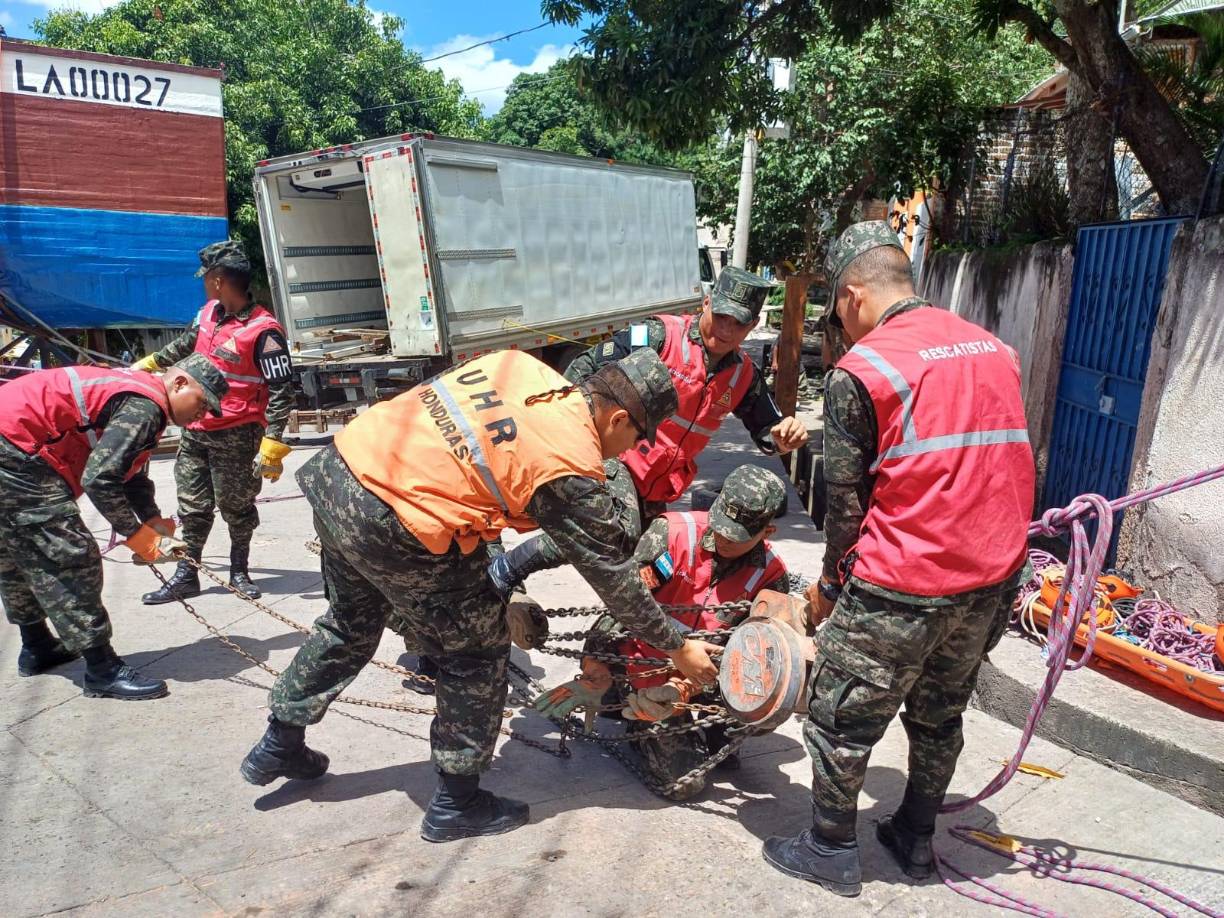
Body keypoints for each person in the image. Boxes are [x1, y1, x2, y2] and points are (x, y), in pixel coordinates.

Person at [238, 348, 721, 844]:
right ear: (617, 417)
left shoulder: (520, 368)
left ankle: (281, 739)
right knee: (476, 652)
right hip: (397, 521)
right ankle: (457, 802)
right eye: (636, 439)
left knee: (348, 624)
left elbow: (464, 456)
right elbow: (614, 578)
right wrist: (677, 647)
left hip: (342, 473)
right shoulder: (568, 462)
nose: (627, 452)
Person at [761, 222, 1035, 896]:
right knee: (940, 712)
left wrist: (829, 586)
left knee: (838, 715)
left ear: (853, 295)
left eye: (836, 311)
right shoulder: (995, 349)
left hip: (903, 582)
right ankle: (914, 836)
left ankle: (828, 849)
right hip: (993, 578)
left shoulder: (863, 369)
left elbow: (846, 505)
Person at [488, 266, 808, 596]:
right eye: (722, 315)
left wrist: (783, 437)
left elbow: (769, 432)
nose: (726, 329)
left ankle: (628, 633)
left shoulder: (744, 377)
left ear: (752, 325)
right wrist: (570, 429)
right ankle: (509, 567)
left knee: (648, 559)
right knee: (612, 530)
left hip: (660, 484)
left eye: (738, 322)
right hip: (619, 458)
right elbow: (587, 365)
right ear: (707, 303)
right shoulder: (660, 336)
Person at [538, 465, 794, 798]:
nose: (725, 538)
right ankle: (628, 705)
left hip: (702, 681)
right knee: (683, 785)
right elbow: (622, 604)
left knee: (758, 714)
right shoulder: (673, 534)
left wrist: (684, 689)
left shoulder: (771, 578)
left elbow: (760, 662)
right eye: (721, 526)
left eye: (738, 534)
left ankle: (709, 729)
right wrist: (594, 668)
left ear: (768, 531)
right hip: (643, 667)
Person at [0, 355, 228, 699]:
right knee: (69, 554)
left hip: (10, 440)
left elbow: (131, 478)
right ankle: (102, 669)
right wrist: (139, 537)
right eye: (203, 402)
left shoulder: (139, 397)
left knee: (17, 549)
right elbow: (101, 479)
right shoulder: (145, 406)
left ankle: (38, 646)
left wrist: (155, 529)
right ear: (179, 383)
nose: (203, 414)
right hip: (14, 446)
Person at [133, 240, 295, 604]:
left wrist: (273, 442)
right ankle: (187, 574)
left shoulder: (264, 332)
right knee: (192, 506)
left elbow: (283, 389)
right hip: (194, 431)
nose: (204, 283)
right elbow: (184, 346)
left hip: (238, 436)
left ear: (219, 280)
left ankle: (240, 571)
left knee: (237, 507)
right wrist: (149, 364)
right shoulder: (207, 313)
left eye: (206, 277)